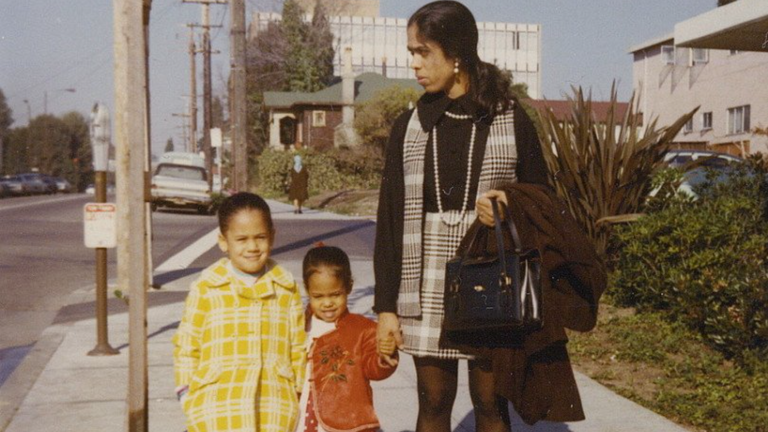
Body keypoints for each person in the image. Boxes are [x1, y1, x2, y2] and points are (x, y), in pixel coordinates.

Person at [373, 1, 552, 431]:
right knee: (433, 401)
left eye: (422, 52)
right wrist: (386, 308)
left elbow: (544, 198)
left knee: (491, 403)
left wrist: (507, 205)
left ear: (455, 55)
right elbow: (390, 219)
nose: (413, 62)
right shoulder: (410, 124)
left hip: (490, 272)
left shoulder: (509, 117)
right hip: (425, 275)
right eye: (411, 51)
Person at [173, 192, 306, 432]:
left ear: (272, 237)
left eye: (260, 237)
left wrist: (296, 393)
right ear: (224, 241)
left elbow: (297, 346)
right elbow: (186, 344)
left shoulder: (286, 288)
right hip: (217, 411)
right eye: (242, 239)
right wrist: (187, 395)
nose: (252, 247)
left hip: (272, 409)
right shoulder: (206, 287)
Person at [297, 245, 398, 432]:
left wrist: (385, 353)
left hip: (346, 421)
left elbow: (374, 368)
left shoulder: (362, 329)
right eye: (318, 296)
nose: (327, 303)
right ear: (307, 290)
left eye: (335, 294)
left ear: (349, 287)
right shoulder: (299, 325)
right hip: (303, 414)